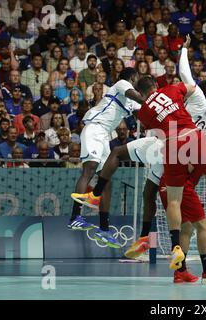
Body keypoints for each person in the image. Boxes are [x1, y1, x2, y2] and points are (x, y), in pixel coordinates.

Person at [74, 37, 206, 265]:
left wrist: (183, 49)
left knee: (122, 159)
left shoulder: (179, 95)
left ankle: (107, 206)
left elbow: (182, 77)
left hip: (168, 146)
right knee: (195, 187)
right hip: (192, 149)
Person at [67, 68, 144, 248]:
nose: (137, 81)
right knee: (90, 168)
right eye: (137, 78)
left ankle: (103, 229)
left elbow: (144, 113)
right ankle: (75, 217)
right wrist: (154, 100)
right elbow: (141, 99)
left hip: (104, 136)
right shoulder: (122, 84)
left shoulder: (131, 102)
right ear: (132, 77)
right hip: (94, 127)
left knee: (106, 181)